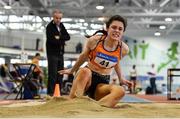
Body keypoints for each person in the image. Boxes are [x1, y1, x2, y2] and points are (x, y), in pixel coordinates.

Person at [58, 15, 132, 108]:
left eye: (120, 29)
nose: (117, 30)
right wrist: (72, 70)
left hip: (102, 83)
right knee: (84, 71)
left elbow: (116, 62)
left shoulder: (124, 49)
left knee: (120, 91)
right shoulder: (95, 40)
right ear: (107, 28)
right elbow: (83, 56)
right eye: (114, 27)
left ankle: (96, 108)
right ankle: (74, 104)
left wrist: (121, 78)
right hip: (87, 77)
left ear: (122, 32)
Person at [46, 9, 70, 96]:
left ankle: (58, 91)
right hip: (52, 54)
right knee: (52, 74)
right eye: (56, 18)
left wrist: (59, 37)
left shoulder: (62, 25)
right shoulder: (49, 27)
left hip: (60, 54)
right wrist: (62, 40)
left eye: (60, 18)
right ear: (53, 17)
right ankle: (50, 92)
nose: (58, 20)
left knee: (60, 73)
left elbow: (68, 37)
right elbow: (51, 40)